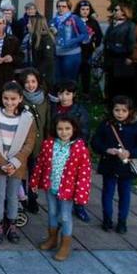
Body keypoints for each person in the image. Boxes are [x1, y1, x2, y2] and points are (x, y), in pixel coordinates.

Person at [31, 115, 91, 261]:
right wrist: (34, 182)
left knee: (64, 216)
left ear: (74, 129)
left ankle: (65, 244)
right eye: (60, 129)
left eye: (67, 129)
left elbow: (84, 173)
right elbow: (40, 164)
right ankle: (52, 239)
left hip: (68, 190)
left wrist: (81, 194)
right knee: (52, 212)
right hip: (51, 185)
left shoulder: (79, 148)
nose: (64, 132)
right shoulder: (49, 144)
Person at [0, 82, 36, 244]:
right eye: (6, 98)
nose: (9, 102)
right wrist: (2, 163)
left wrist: (14, 162)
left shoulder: (27, 118)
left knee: (13, 195)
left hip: (17, 165)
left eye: (13, 99)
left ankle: (12, 223)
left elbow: (29, 143)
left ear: (20, 98)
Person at [91, 96, 137, 234]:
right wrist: (106, 149)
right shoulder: (106, 125)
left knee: (125, 194)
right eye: (117, 110)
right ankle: (107, 219)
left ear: (130, 111)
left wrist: (130, 152)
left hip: (126, 167)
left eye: (124, 110)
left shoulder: (135, 127)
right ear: (111, 110)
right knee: (107, 192)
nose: (120, 113)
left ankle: (122, 221)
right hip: (109, 164)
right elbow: (95, 142)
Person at [51, 80, 92, 222]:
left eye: (67, 93)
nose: (64, 97)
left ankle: (79, 206)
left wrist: (76, 148)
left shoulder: (80, 111)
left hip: (73, 151)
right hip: (57, 149)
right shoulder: (54, 109)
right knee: (59, 178)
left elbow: (84, 132)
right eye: (61, 93)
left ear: (73, 95)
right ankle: (59, 203)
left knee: (75, 180)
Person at [19, 67, 50, 214]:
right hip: (23, 143)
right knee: (22, 172)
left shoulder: (44, 100)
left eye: (33, 81)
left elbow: (47, 123)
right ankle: (22, 198)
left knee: (35, 173)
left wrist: (47, 141)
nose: (30, 85)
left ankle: (33, 197)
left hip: (39, 144)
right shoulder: (19, 99)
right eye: (26, 82)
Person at [50, 0, 89, 84]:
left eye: (64, 6)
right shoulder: (54, 20)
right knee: (58, 80)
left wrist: (72, 41)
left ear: (69, 8)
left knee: (69, 81)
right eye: (59, 6)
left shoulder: (75, 18)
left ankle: (71, 97)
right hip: (57, 53)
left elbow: (85, 34)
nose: (61, 8)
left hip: (72, 54)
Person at [102, 3, 137, 101]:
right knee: (111, 84)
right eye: (114, 10)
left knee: (122, 84)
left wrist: (130, 56)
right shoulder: (113, 24)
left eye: (117, 10)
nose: (114, 12)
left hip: (122, 60)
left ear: (124, 12)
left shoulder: (130, 25)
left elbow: (132, 43)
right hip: (111, 59)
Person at [72, 0, 103, 97]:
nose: (85, 11)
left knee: (86, 72)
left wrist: (94, 46)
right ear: (78, 10)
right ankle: (73, 92)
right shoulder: (73, 21)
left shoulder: (93, 22)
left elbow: (99, 35)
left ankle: (86, 92)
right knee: (74, 73)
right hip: (75, 51)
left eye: (87, 9)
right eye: (83, 9)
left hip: (87, 52)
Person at [23, 14, 57, 88]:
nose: (27, 25)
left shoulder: (46, 39)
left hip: (46, 74)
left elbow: (48, 58)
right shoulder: (33, 37)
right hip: (37, 71)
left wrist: (37, 72)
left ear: (35, 24)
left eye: (29, 23)